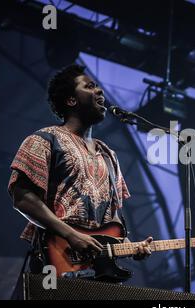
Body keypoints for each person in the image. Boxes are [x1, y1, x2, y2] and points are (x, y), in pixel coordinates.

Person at [8, 64, 152, 272]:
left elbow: (112, 217)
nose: (100, 91)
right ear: (71, 100)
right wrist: (70, 234)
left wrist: (130, 246)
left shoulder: (109, 155)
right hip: (55, 261)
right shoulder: (43, 140)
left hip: (96, 269)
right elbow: (22, 197)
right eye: (90, 86)